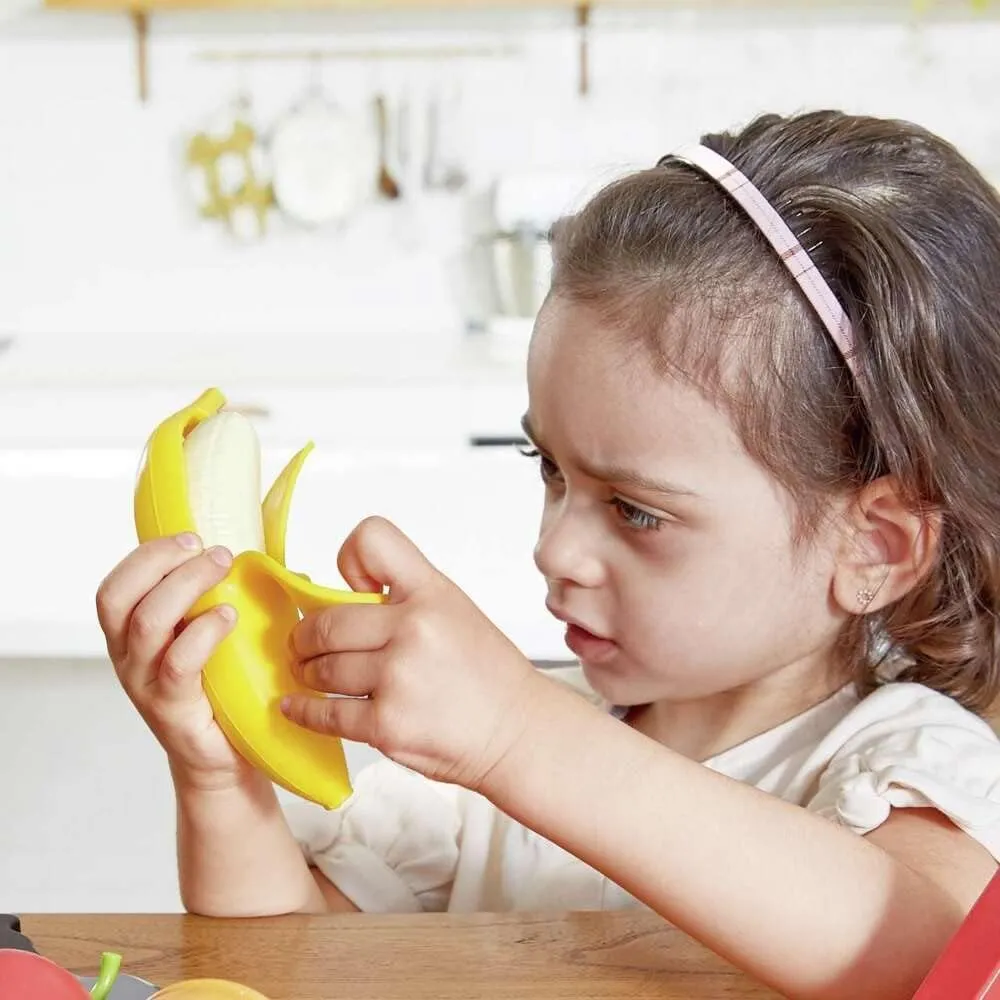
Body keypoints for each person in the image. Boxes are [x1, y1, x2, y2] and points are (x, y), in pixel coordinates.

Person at [96, 110, 1000, 999]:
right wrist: (221, 779)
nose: (554, 548)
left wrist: (514, 732)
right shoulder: (486, 780)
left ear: (874, 548)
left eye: (637, 511)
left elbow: (922, 960)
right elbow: (295, 957)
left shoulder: (903, 764)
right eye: (550, 469)